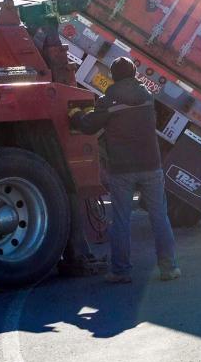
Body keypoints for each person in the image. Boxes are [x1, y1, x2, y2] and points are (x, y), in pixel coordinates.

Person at [69, 56, 180, 283]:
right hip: (151, 165)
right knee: (159, 217)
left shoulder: (108, 100)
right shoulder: (147, 96)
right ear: (134, 74)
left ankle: (121, 272)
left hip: (122, 169)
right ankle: (169, 268)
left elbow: (89, 126)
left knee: (121, 220)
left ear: (113, 76)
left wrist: (76, 115)